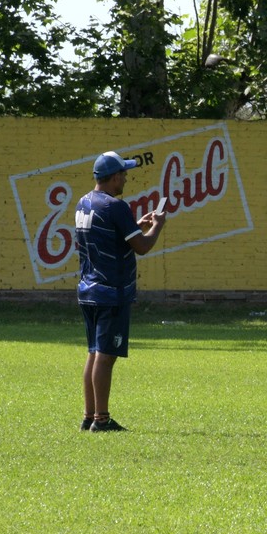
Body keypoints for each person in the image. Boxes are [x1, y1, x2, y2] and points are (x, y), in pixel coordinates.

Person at [75, 151, 167, 432]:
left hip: (88, 289)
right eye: (124, 174)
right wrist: (157, 227)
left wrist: (134, 226)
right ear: (114, 177)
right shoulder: (116, 206)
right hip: (111, 290)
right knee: (106, 355)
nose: (126, 178)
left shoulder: (84, 203)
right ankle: (101, 420)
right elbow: (142, 247)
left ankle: (89, 416)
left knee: (93, 352)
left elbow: (110, 236)